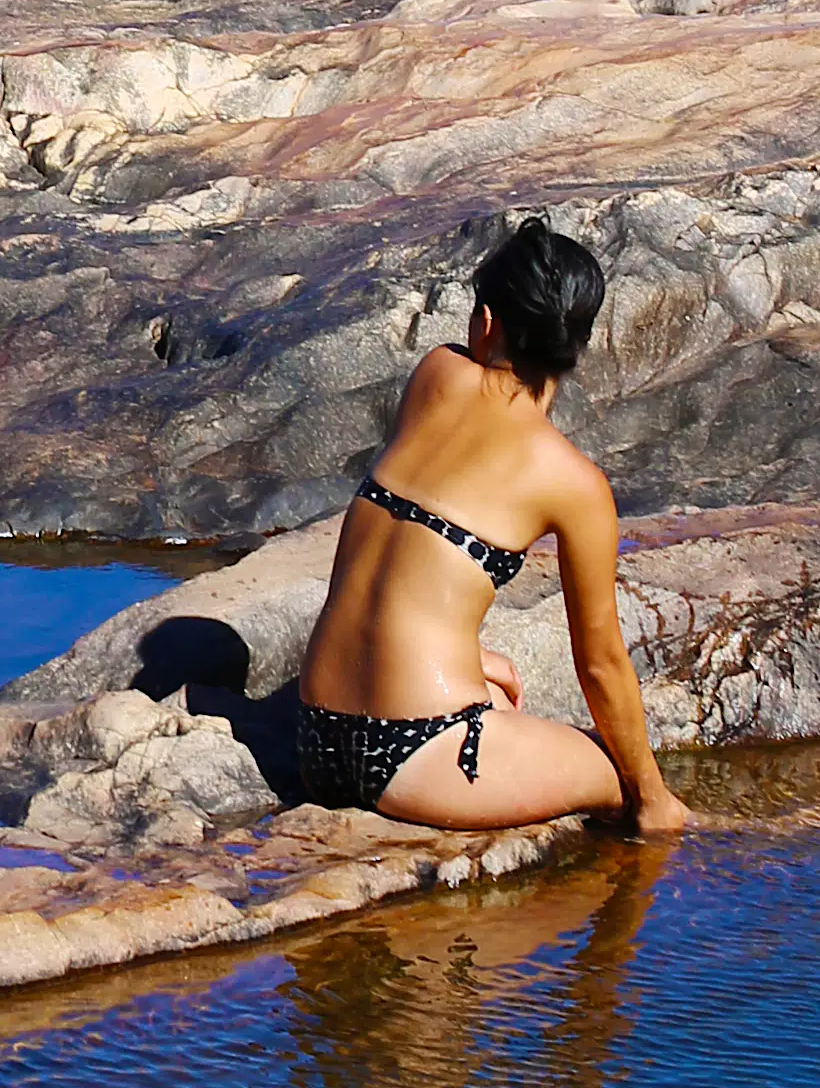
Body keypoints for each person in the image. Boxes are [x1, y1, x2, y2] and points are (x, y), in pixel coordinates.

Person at [294, 216, 688, 838]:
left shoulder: (435, 374)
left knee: (501, 699)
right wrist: (653, 796)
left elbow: (407, 550)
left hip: (316, 740)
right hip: (417, 756)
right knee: (625, 776)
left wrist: (468, 657)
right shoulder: (574, 482)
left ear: (485, 322)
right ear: (577, 343)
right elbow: (602, 663)